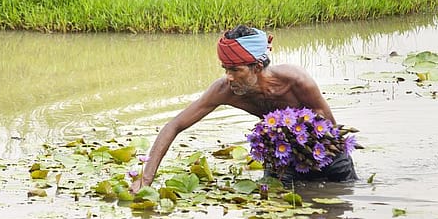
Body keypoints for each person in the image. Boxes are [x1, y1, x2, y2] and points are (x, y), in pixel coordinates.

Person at [130, 24, 357, 192]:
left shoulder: (296, 81)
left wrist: (294, 134)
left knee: (339, 203)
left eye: (235, 70)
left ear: (256, 66)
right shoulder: (223, 90)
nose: (228, 77)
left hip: (325, 156)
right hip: (282, 161)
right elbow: (174, 125)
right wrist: (146, 179)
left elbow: (330, 128)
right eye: (225, 69)